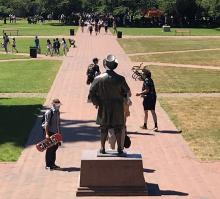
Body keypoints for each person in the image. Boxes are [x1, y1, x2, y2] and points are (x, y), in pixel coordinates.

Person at [89, 55, 130, 154]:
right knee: (118, 128)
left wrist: (97, 102)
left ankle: (102, 148)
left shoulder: (98, 78)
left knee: (104, 128)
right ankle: (120, 148)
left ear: (105, 65)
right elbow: (127, 91)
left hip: (104, 106)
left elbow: (91, 92)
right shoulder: (120, 79)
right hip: (117, 106)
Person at [42, 99, 62, 170]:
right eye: (57, 105)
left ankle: (52, 164)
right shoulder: (49, 112)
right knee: (50, 149)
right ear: (53, 104)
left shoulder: (57, 112)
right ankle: (48, 165)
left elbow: (58, 124)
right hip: (50, 132)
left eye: (59, 105)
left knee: (55, 148)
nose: (59, 106)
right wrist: (47, 134)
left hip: (55, 133)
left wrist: (59, 135)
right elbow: (46, 124)